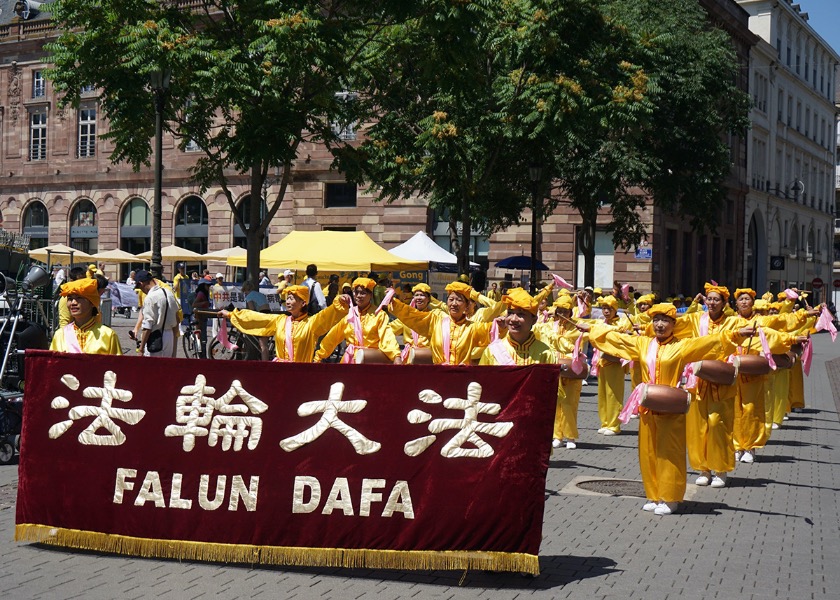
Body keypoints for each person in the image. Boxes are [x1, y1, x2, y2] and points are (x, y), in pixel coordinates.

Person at [579, 303, 751, 515]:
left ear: (673, 324)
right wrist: (592, 330)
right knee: (648, 451)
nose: (660, 325)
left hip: (670, 405)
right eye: (656, 320)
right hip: (648, 404)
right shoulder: (642, 344)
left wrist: (735, 334)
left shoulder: (682, 345)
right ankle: (654, 494)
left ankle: (670, 497)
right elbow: (617, 339)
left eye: (665, 321)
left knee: (669, 452)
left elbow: (711, 342)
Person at [221, 285, 350, 363]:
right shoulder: (280, 321)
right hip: (280, 371)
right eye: (287, 298)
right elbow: (256, 318)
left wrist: (341, 302)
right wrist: (231, 314)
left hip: (301, 373)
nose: (287, 301)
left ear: (303, 303)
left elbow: (328, 314)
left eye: (292, 298)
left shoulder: (312, 323)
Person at [387, 281, 497, 365]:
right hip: (436, 373)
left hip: (461, 376)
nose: (454, 304)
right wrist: (394, 303)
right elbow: (413, 316)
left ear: (466, 305)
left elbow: (491, 330)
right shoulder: (435, 320)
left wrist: (503, 323)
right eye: (451, 299)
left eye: (459, 300)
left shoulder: (472, 327)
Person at [314, 277, 402, 364]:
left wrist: (396, 356)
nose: (359, 296)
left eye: (363, 293)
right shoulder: (350, 315)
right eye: (356, 292)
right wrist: (319, 356)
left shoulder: (379, 315)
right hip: (350, 360)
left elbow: (387, 337)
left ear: (370, 295)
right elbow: (333, 337)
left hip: (370, 361)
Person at [589, 295, 634, 435]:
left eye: (609, 308)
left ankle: (614, 425)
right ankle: (605, 422)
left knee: (614, 394)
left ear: (615, 310)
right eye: (604, 308)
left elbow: (626, 338)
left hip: (614, 363)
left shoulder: (621, 324)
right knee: (602, 394)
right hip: (602, 362)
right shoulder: (601, 322)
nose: (606, 311)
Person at [479, 288, 555, 366]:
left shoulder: (546, 354)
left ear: (534, 320)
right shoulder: (492, 351)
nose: (513, 319)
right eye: (510, 313)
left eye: (521, 314)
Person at [50, 278, 122, 355]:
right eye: (70, 299)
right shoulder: (60, 334)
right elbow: (52, 364)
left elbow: (116, 365)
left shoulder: (108, 335)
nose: (73, 303)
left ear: (92, 302)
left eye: (79, 298)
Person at [135, 270, 180, 357]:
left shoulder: (150, 298)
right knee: (166, 367)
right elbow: (177, 319)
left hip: (155, 338)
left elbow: (148, 326)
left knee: (153, 369)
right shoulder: (169, 293)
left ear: (141, 284)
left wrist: (141, 349)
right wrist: (174, 348)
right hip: (169, 336)